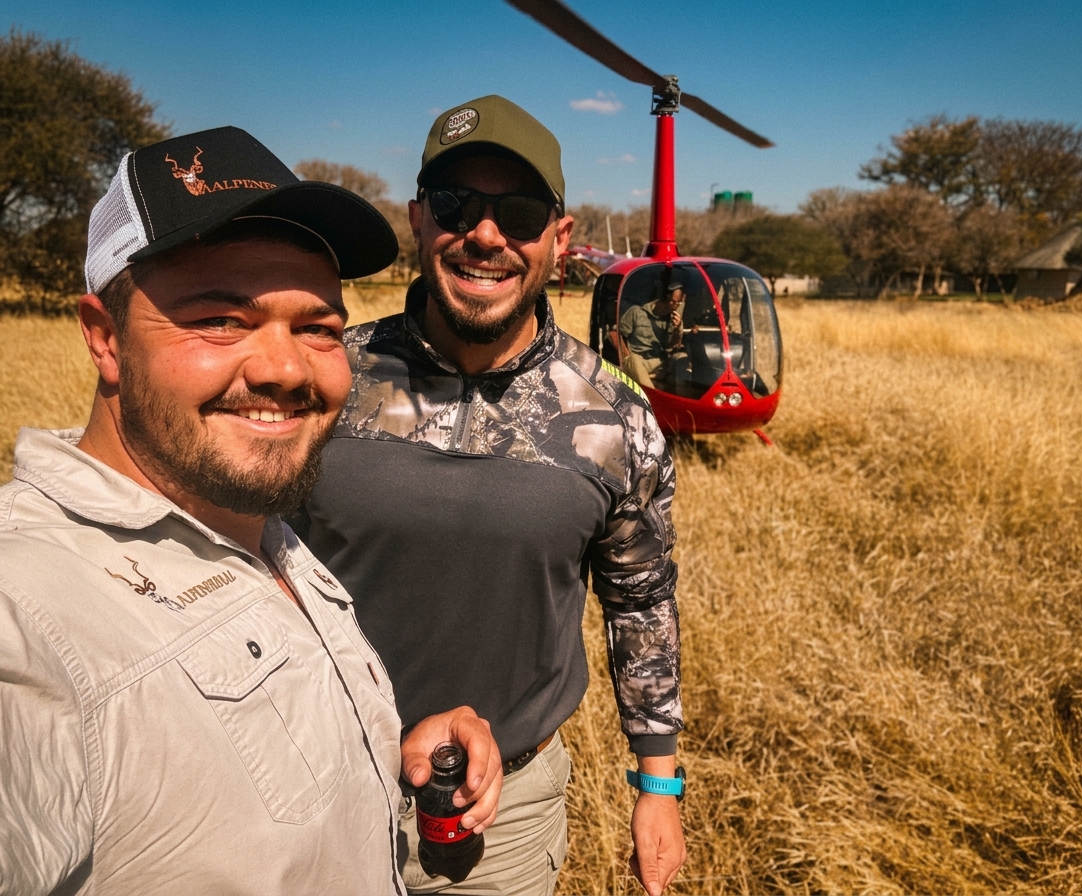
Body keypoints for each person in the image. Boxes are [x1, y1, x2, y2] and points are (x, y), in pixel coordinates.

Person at [0, 126, 502, 896]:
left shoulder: (256, 528)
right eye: (218, 320)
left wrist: (383, 748)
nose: (284, 369)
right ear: (104, 339)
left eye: (317, 329)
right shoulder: (25, 611)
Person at [295, 95, 686, 896]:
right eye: (454, 205)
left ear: (560, 238)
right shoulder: (325, 376)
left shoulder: (614, 414)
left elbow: (639, 602)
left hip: (502, 818)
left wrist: (658, 786)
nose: (484, 233)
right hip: (308, 780)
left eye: (517, 212)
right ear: (416, 219)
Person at [618, 282, 685, 389]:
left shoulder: (672, 319)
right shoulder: (636, 312)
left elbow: (672, 345)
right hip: (639, 361)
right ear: (663, 298)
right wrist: (625, 356)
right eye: (672, 301)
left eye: (678, 303)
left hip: (660, 362)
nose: (674, 306)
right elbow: (617, 334)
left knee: (682, 358)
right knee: (633, 360)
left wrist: (677, 329)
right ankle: (651, 399)